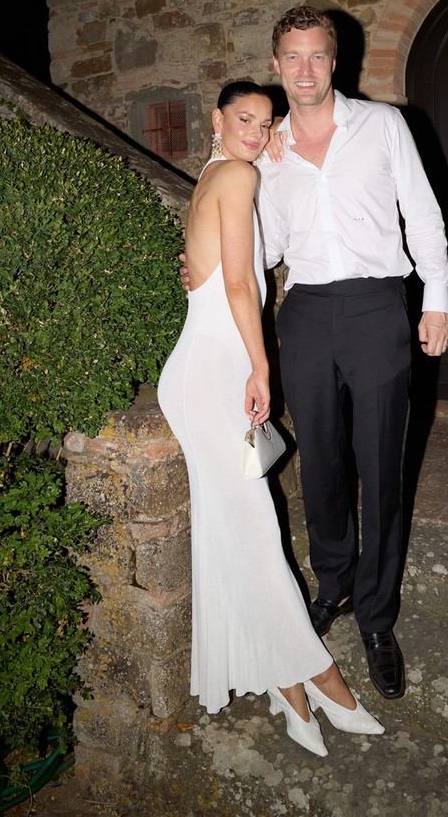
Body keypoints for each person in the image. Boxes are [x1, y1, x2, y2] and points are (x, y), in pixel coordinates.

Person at [157, 80, 384, 757]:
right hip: (211, 375)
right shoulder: (232, 175)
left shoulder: (220, 171)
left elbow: (225, 257)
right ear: (217, 119)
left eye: (267, 122)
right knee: (256, 536)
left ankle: (291, 696)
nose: (256, 131)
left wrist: (272, 147)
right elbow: (235, 285)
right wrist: (262, 368)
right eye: (244, 119)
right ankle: (321, 676)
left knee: (243, 538)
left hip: (204, 366)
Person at [256, 6, 448, 701]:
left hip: (377, 306)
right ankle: (333, 585)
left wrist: (437, 296)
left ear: (333, 63)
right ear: (276, 63)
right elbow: (268, 247)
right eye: (291, 56)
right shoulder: (268, 148)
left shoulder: (382, 126)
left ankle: (376, 615)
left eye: (316, 56)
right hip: (306, 311)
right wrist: (214, 268)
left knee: (382, 466)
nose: (304, 69)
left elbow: (422, 213)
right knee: (321, 465)